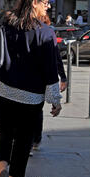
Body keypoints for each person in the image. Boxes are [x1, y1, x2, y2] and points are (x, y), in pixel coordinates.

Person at [0, 0, 62, 177]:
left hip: (2, 89)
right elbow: (50, 71)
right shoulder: (46, 32)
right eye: (46, 4)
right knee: (23, 139)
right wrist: (55, 101)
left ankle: (2, 168)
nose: (48, 8)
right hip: (30, 97)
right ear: (34, 3)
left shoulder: (6, 22)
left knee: (2, 131)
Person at [30, 15, 67, 155]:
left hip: (25, 79)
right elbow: (56, 59)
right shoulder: (48, 32)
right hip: (40, 79)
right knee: (36, 110)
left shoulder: (24, 29)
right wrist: (62, 77)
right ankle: (35, 140)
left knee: (27, 111)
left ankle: (28, 142)